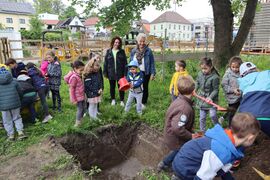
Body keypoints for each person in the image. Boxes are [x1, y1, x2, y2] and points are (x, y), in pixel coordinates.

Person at [171, 113, 260, 180]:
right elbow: (202, 177)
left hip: (184, 159)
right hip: (185, 169)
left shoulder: (225, 138)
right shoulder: (221, 152)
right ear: (250, 138)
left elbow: (222, 167)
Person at [157, 76, 196, 172]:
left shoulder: (179, 100)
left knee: (178, 150)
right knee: (181, 150)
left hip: (172, 135)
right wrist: (191, 136)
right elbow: (178, 128)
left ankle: (165, 163)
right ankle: (167, 165)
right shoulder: (184, 108)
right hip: (176, 138)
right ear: (193, 91)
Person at [238, 62, 270, 137]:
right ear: (256, 69)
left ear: (242, 75)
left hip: (245, 117)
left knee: (245, 139)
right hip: (265, 115)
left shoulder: (242, 82)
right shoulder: (267, 74)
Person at [0, 66, 27, 140]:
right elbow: (20, 92)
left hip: (3, 106)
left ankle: (11, 135)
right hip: (15, 103)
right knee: (17, 118)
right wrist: (20, 100)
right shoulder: (14, 81)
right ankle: (20, 133)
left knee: (6, 121)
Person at [130, 33, 156, 109]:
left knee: (144, 87)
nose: (142, 43)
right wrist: (129, 72)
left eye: (143, 41)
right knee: (135, 87)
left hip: (145, 72)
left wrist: (153, 73)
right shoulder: (133, 51)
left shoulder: (148, 51)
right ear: (137, 41)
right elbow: (131, 62)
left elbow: (152, 62)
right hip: (135, 72)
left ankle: (143, 103)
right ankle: (137, 102)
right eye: (140, 41)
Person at [195, 57, 220, 132]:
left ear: (211, 67)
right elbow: (197, 82)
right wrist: (195, 89)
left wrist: (210, 97)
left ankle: (218, 128)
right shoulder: (200, 74)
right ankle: (202, 132)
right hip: (202, 100)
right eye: (202, 68)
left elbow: (216, 90)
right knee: (202, 118)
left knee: (213, 115)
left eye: (205, 68)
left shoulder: (215, 77)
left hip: (211, 101)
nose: (203, 70)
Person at [104, 36, 127, 106]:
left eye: (118, 42)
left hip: (120, 73)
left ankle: (122, 100)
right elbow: (105, 63)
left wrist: (125, 73)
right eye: (116, 42)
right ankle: (113, 100)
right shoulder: (109, 51)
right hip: (111, 73)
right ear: (113, 42)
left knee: (121, 87)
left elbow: (125, 63)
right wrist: (105, 73)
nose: (117, 44)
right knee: (112, 87)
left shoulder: (122, 52)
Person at [220, 56, 243, 125]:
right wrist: (233, 90)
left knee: (236, 109)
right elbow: (224, 85)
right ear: (230, 66)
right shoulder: (228, 74)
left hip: (241, 95)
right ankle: (230, 126)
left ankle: (224, 118)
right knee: (232, 111)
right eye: (233, 67)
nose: (235, 69)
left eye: (237, 67)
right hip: (232, 97)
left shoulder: (242, 73)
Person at [64, 60, 85, 127]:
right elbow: (71, 89)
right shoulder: (74, 77)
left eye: (83, 70)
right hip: (77, 97)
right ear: (75, 69)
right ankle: (77, 122)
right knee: (80, 109)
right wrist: (73, 99)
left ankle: (81, 120)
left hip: (81, 95)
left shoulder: (78, 75)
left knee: (83, 108)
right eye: (81, 70)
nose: (82, 72)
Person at [84, 55, 103, 119]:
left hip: (97, 92)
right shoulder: (88, 75)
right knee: (92, 106)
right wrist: (96, 91)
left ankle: (95, 116)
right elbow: (88, 86)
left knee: (95, 105)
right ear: (91, 66)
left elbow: (99, 81)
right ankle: (92, 118)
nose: (98, 68)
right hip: (91, 93)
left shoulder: (97, 73)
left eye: (98, 66)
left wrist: (100, 88)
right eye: (96, 66)